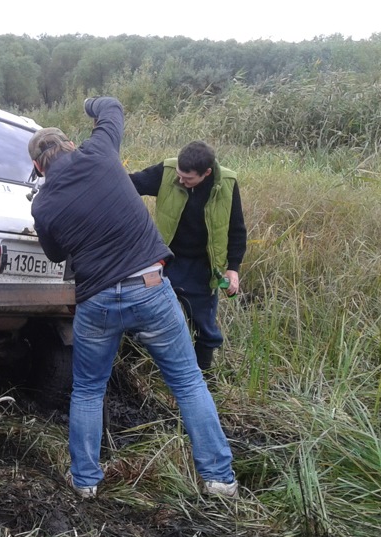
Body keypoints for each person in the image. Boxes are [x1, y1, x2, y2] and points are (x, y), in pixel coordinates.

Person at [29, 97, 238, 499]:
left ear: (38, 168)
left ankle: (86, 482)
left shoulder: (44, 203)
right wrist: (90, 103)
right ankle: (218, 479)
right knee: (190, 382)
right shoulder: (101, 150)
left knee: (89, 390)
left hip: (97, 303)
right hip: (150, 290)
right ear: (71, 145)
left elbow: (55, 254)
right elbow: (113, 108)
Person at [129, 141, 247, 371]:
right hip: (166, 260)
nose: (181, 181)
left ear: (207, 173)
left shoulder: (227, 185)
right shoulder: (168, 172)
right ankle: (140, 369)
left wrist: (233, 268)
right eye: (180, 176)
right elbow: (131, 184)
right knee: (144, 315)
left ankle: (201, 377)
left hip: (203, 267)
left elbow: (237, 228)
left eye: (188, 179)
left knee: (205, 328)